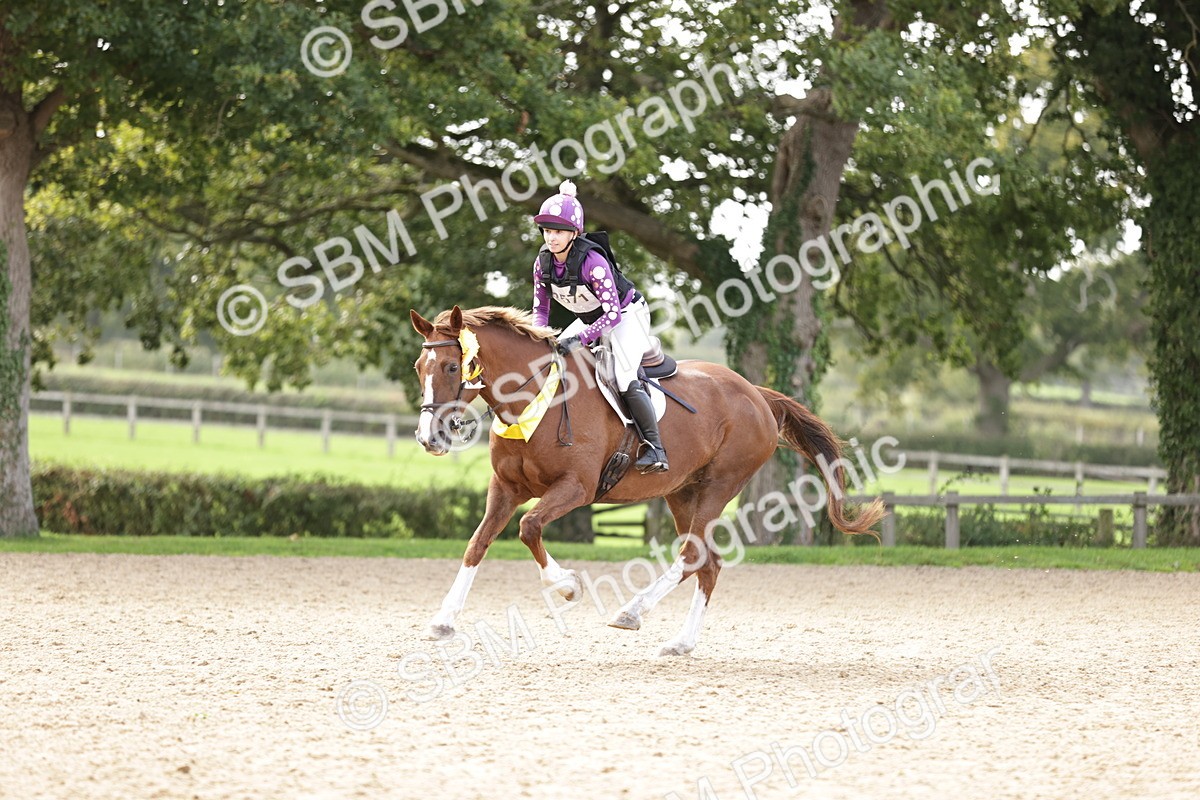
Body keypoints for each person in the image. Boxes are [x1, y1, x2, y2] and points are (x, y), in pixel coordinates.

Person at [531, 180, 668, 473]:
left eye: (558, 231)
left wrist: (580, 339)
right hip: (591, 317)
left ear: (574, 233)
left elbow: (613, 315)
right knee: (551, 360)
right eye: (547, 231)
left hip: (626, 314)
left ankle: (656, 448)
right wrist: (538, 338)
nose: (551, 238)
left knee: (622, 374)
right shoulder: (541, 264)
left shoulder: (592, 261)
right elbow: (541, 309)